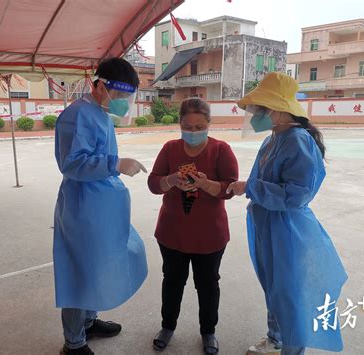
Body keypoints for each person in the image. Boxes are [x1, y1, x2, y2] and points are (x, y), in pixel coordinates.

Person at [226, 72, 347, 355]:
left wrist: (251, 187)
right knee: (274, 288)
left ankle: (292, 349)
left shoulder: (297, 140)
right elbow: (264, 182)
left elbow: (297, 194)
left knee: (290, 293)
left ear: (279, 110)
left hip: (288, 228)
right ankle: (275, 337)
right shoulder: (272, 139)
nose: (255, 114)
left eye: (261, 108)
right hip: (266, 224)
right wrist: (249, 188)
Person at [53, 57, 148, 355]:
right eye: (119, 96)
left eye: (126, 98)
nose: (122, 103)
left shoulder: (101, 114)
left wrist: (113, 167)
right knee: (79, 269)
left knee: (98, 264)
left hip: (101, 207)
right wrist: (116, 164)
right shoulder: (77, 115)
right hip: (83, 208)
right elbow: (72, 164)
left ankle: (89, 322)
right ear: (102, 86)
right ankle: (74, 341)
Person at [148, 98, 239, 355]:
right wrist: (171, 180)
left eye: (199, 126)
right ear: (180, 125)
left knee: (208, 285)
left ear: (209, 124)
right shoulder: (170, 148)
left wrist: (205, 184)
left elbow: (229, 188)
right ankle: (167, 326)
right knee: (172, 282)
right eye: (188, 126)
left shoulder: (221, 150)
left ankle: (208, 331)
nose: (193, 132)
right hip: (172, 233)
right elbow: (154, 183)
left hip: (209, 235)